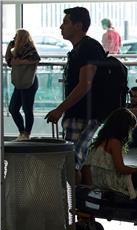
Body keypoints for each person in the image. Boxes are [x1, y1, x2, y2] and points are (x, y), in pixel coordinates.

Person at [45, 7, 107, 184]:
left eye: (65, 22)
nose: (61, 27)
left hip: (84, 114)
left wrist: (60, 109)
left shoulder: (88, 47)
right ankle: (85, 208)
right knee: (83, 162)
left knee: (71, 164)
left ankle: (74, 205)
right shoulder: (80, 49)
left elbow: (85, 84)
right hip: (81, 113)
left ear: (78, 25)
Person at [85, 108, 137, 197]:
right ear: (124, 127)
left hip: (100, 180)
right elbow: (121, 169)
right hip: (111, 182)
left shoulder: (100, 140)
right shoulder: (114, 142)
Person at [5, 29, 40, 141]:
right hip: (19, 82)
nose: (14, 37)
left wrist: (20, 62)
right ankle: (22, 132)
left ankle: (27, 133)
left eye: (16, 36)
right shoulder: (15, 49)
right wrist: (10, 46)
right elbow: (9, 61)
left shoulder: (30, 49)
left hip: (29, 82)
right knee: (13, 108)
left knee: (27, 109)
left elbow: (36, 58)